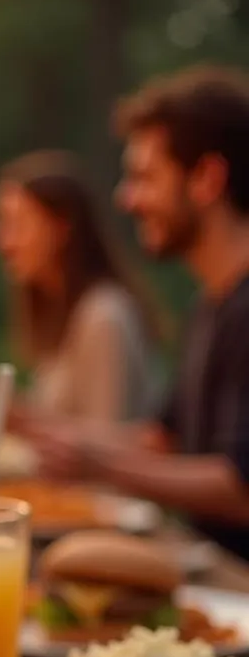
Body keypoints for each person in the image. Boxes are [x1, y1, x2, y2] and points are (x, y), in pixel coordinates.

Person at [33, 65, 249, 560]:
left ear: (208, 179)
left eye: (145, 178)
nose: (127, 199)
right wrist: (27, 427)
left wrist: (100, 467)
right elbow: (160, 441)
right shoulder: (212, 304)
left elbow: (240, 487)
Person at [0, 151, 164, 429]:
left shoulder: (104, 317)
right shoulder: (64, 308)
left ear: (62, 226)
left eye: (16, 223)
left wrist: (9, 412)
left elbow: (106, 442)